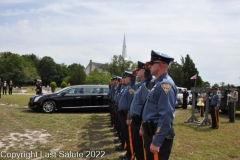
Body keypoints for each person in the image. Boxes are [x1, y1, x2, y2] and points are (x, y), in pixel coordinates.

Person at [141, 50, 177, 160]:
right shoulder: (157, 83)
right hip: (150, 131)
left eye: (152, 63)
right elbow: (146, 83)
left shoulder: (165, 85)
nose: (149, 66)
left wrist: (157, 141)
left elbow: (166, 115)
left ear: (160, 64)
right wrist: (147, 70)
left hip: (157, 133)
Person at [127, 61, 154, 160]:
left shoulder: (148, 83)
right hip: (135, 119)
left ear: (144, 70)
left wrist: (142, 125)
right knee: (137, 143)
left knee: (142, 146)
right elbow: (131, 86)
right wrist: (133, 77)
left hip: (140, 120)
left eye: (139, 70)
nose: (136, 71)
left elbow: (146, 105)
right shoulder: (140, 84)